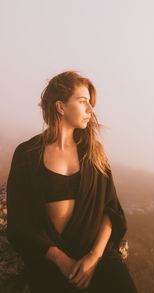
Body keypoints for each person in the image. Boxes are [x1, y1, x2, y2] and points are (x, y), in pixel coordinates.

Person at [6, 70, 138, 293]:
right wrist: (60, 260)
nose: (90, 110)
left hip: (98, 260)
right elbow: (21, 220)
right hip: (51, 262)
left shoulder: (94, 154)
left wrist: (94, 258)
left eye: (90, 103)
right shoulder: (27, 154)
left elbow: (111, 210)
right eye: (83, 101)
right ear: (60, 106)